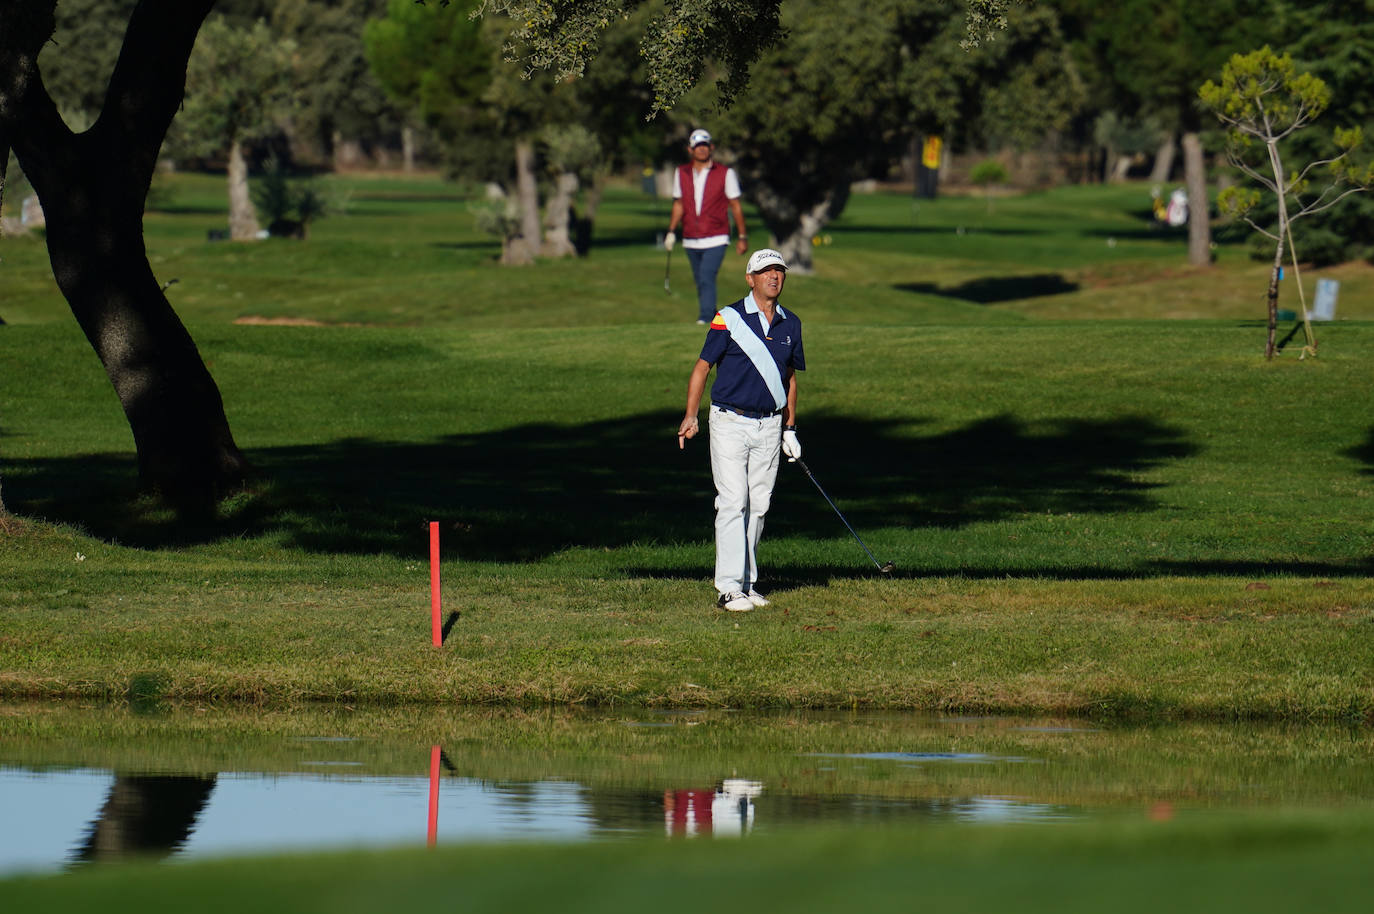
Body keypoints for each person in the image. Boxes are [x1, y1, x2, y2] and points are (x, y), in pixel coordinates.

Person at [677, 249, 804, 611]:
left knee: (759, 505)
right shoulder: (727, 318)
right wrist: (690, 415)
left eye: (779, 271)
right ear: (750, 279)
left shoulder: (790, 323)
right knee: (733, 502)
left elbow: (790, 380)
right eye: (765, 271)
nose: (774, 277)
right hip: (729, 421)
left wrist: (790, 428)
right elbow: (702, 368)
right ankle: (728, 587)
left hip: (770, 425)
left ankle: (748, 583)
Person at [665, 128, 749, 324]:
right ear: (690, 149)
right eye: (697, 146)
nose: (701, 150)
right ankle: (712, 316)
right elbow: (679, 204)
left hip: (716, 236)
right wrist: (671, 231)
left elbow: (735, 205)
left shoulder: (725, 173)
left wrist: (742, 236)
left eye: (705, 146)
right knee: (700, 280)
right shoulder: (682, 173)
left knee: (706, 276)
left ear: (711, 148)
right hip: (690, 237)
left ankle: (704, 318)